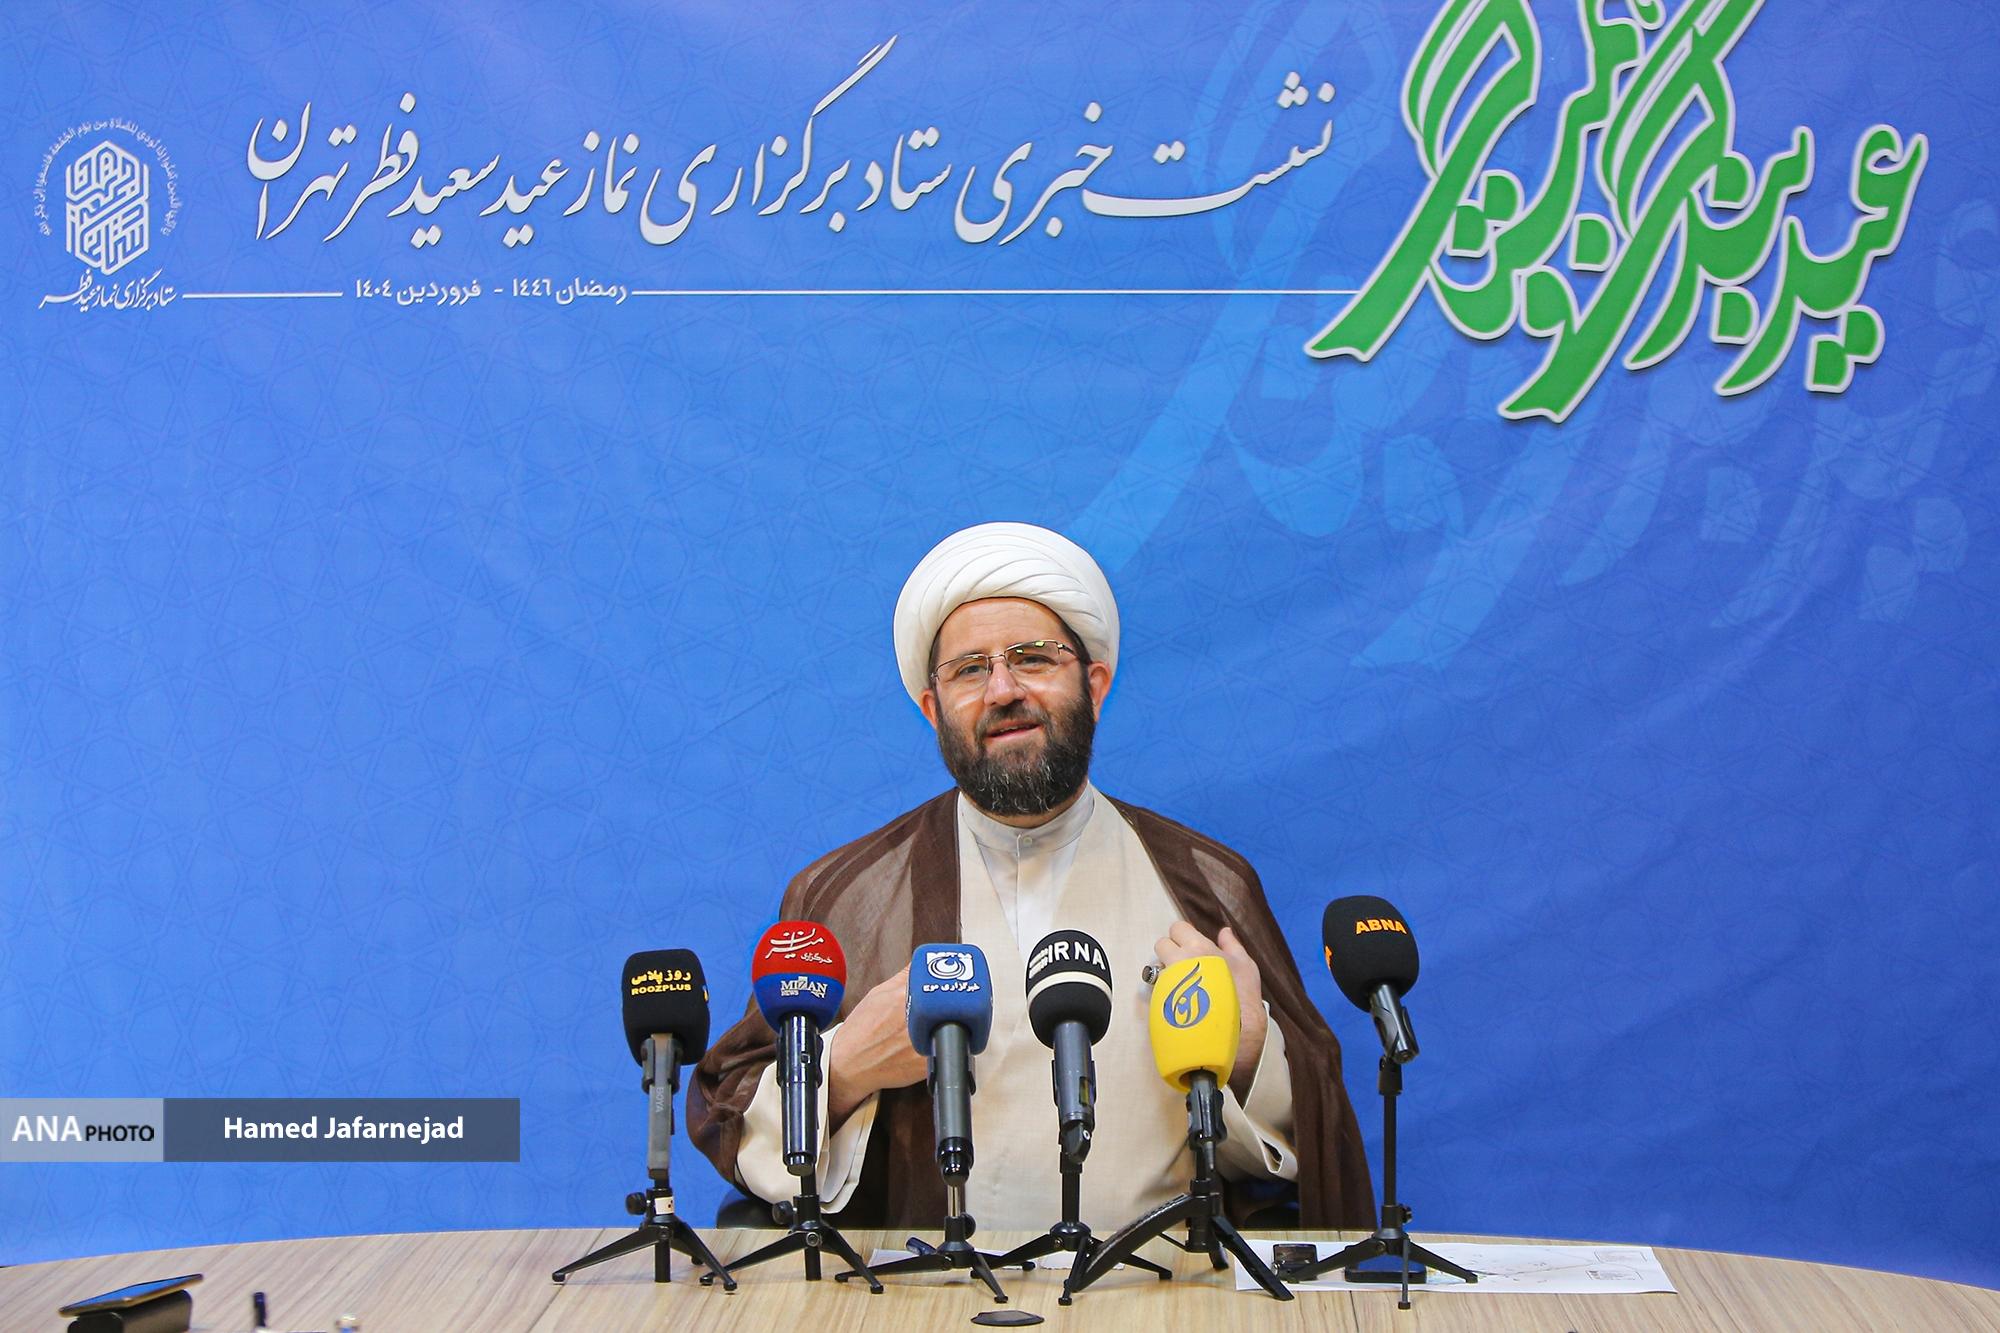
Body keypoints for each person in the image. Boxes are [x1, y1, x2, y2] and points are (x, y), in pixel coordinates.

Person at [689, 522, 1373, 1229]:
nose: (1003, 689)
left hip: (1158, 1282)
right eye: (969, 670)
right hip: (929, 1286)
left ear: (1094, 684)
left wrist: (1251, 1052)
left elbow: (1311, 1138)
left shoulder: (1206, 881)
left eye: (1033, 659)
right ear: (932, 709)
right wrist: (845, 1070)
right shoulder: (849, 891)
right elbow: (730, 1109)